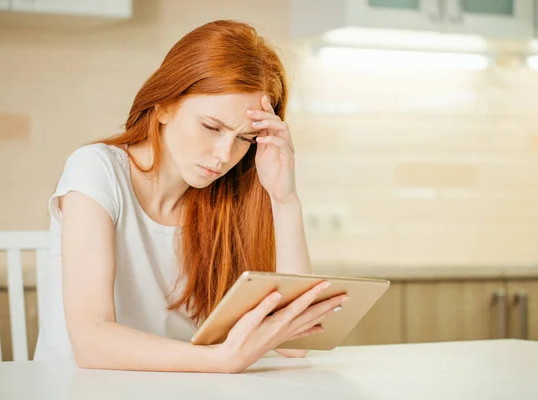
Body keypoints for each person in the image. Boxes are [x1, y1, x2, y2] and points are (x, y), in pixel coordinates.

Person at [33, 20, 348, 373]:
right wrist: (221, 360)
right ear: (164, 105)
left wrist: (285, 199)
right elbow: (92, 342)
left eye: (245, 139)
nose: (224, 155)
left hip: (181, 385)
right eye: (212, 127)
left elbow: (293, 346)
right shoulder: (95, 170)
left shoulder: (226, 199)